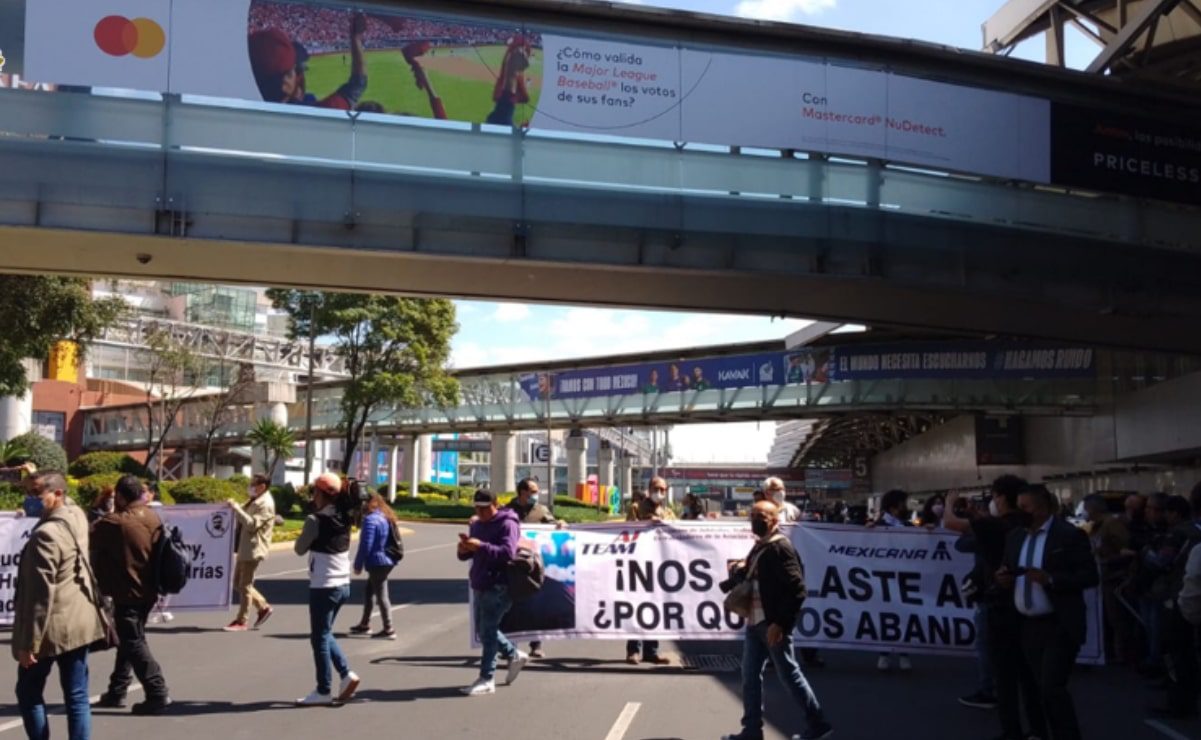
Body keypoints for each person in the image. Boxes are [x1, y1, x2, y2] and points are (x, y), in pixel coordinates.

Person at [722, 501, 833, 740]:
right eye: (752, 514)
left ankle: (818, 724)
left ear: (775, 520)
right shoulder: (760, 547)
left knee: (789, 675)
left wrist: (781, 624)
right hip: (755, 622)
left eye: (760, 515)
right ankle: (751, 730)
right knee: (750, 676)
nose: (755, 519)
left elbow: (798, 590)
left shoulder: (781, 548)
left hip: (771, 625)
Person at [947, 477, 1047, 740]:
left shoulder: (995, 528)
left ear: (1002, 498)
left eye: (995, 496)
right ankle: (1038, 731)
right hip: (1030, 610)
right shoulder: (1029, 527)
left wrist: (949, 503)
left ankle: (1011, 731)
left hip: (1001, 607)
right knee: (1030, 677)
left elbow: (954, 527)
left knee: (1005, 676)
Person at [997, 484, 1098, 740]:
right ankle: (1039, 733)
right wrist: (1003, 578)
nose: (1020, 512)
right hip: (1027, 624)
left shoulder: (1068, 536)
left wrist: (1051, 580)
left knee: (1052, 686)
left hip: (1059, 623)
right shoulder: (1015, 537)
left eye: (1025, 507)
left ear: (1041, 509)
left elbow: (1089, 575)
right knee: (1032, 686)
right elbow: (1008, 567)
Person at [13, 471, 106, 740]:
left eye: (36, 493)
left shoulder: (46, 534)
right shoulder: (76, 514)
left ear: (57, 494)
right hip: (80, 618)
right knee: (76, 694)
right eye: (28, 492)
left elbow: (40, 595)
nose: (29, 499)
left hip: (53, 626)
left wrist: (30, 643)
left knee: (28, 692)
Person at [90, 474, 171, 715]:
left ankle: (157, 691)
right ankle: (117, 690)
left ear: (121, 497)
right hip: (148, 589)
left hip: (129, 590)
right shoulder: (152, 516)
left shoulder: (116, 522)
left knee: (133, 641)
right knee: (129, 640)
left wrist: (100, 507)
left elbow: (89, 534)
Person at [293, 472, 361, 705]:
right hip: (343, 584)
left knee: (319, 638)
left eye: (315, 491)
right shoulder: (344, 516)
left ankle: (324, 689)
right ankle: (345, 674)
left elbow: (299, 549)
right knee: (325, 633)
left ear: (321, 493)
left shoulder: (315, 520)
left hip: (324, 585)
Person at [458, 489, 528, 696]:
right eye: (477, 508)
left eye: (485, 508)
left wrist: (480, 546)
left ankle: (487, 678)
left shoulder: (508, 523)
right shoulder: (477, 524)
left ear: (495, 504)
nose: (481, 512)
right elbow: (471, 553)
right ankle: (513, 654)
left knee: (488, 631)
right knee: (483, 631)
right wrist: (464, 549)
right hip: (480, 582)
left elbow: (507, 553)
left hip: (500, 585)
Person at [1155, 484, 1201, 718]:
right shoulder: (1193, 532)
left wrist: (1144, 554)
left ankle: (1180, 702)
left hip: (1180, 598)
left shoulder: (1179, 533)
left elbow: (1163, 562)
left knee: (1178, 654)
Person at [625, 476, 675, 667]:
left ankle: (651, 651)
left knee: (655, 610)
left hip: (660, 567)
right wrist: (647, 524)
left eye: (663, 489)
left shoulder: (668, 512)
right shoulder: (637, 509)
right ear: (649, 488)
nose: (659, 492)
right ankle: (633, 650)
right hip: (639, 565)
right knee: (637, 608)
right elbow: (626, 532)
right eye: (656, 488)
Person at [504, 478, 555, 658]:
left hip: (534, 564)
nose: (536, 493)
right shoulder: (507, 510)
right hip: (513, 563)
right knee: (512, 604)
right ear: (522, 492)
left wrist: (560, 525)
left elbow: (553, 527)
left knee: (534, 602)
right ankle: (510, 646)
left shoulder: (541, 510)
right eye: (533, 490)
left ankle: (536, 645)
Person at [1081, 494, 1131, 665]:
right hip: (1103, 577)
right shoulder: (1096, 526)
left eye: (1086, 508)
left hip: (1114, 576)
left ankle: (1122, 654)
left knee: (1116, 618)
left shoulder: (1112, 524)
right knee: (1108, 617)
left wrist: (1108, 560)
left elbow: (1125, 548)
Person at [223, 474, 276, 632]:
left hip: (254, 548)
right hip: (245, 547)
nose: (250, 486)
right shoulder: (255, 499)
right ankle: (263, 606)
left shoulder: (265, 504)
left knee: (245, 585)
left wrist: (236, 508)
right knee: (238, 583)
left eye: (253, 484)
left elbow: (252, 525)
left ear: (262, 486)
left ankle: (242, 620)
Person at [871, 489, 913, 672]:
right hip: (884, 578)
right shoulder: (876, 526)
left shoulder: (910, 527)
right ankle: (884, 653)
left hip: (905, 577)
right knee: (885, 616)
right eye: (903, 504)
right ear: (894, 507)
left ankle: (904, 653)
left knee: (905, 615)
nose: (906, 507)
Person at [350, 492, 399, 640]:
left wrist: (358, 564)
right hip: (386, 560)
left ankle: (388, 628)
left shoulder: (371, 520)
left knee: (382, 595)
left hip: (377, 561)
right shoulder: (384, 516)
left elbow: (366, 545)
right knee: (369, 591)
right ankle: (365, 623)